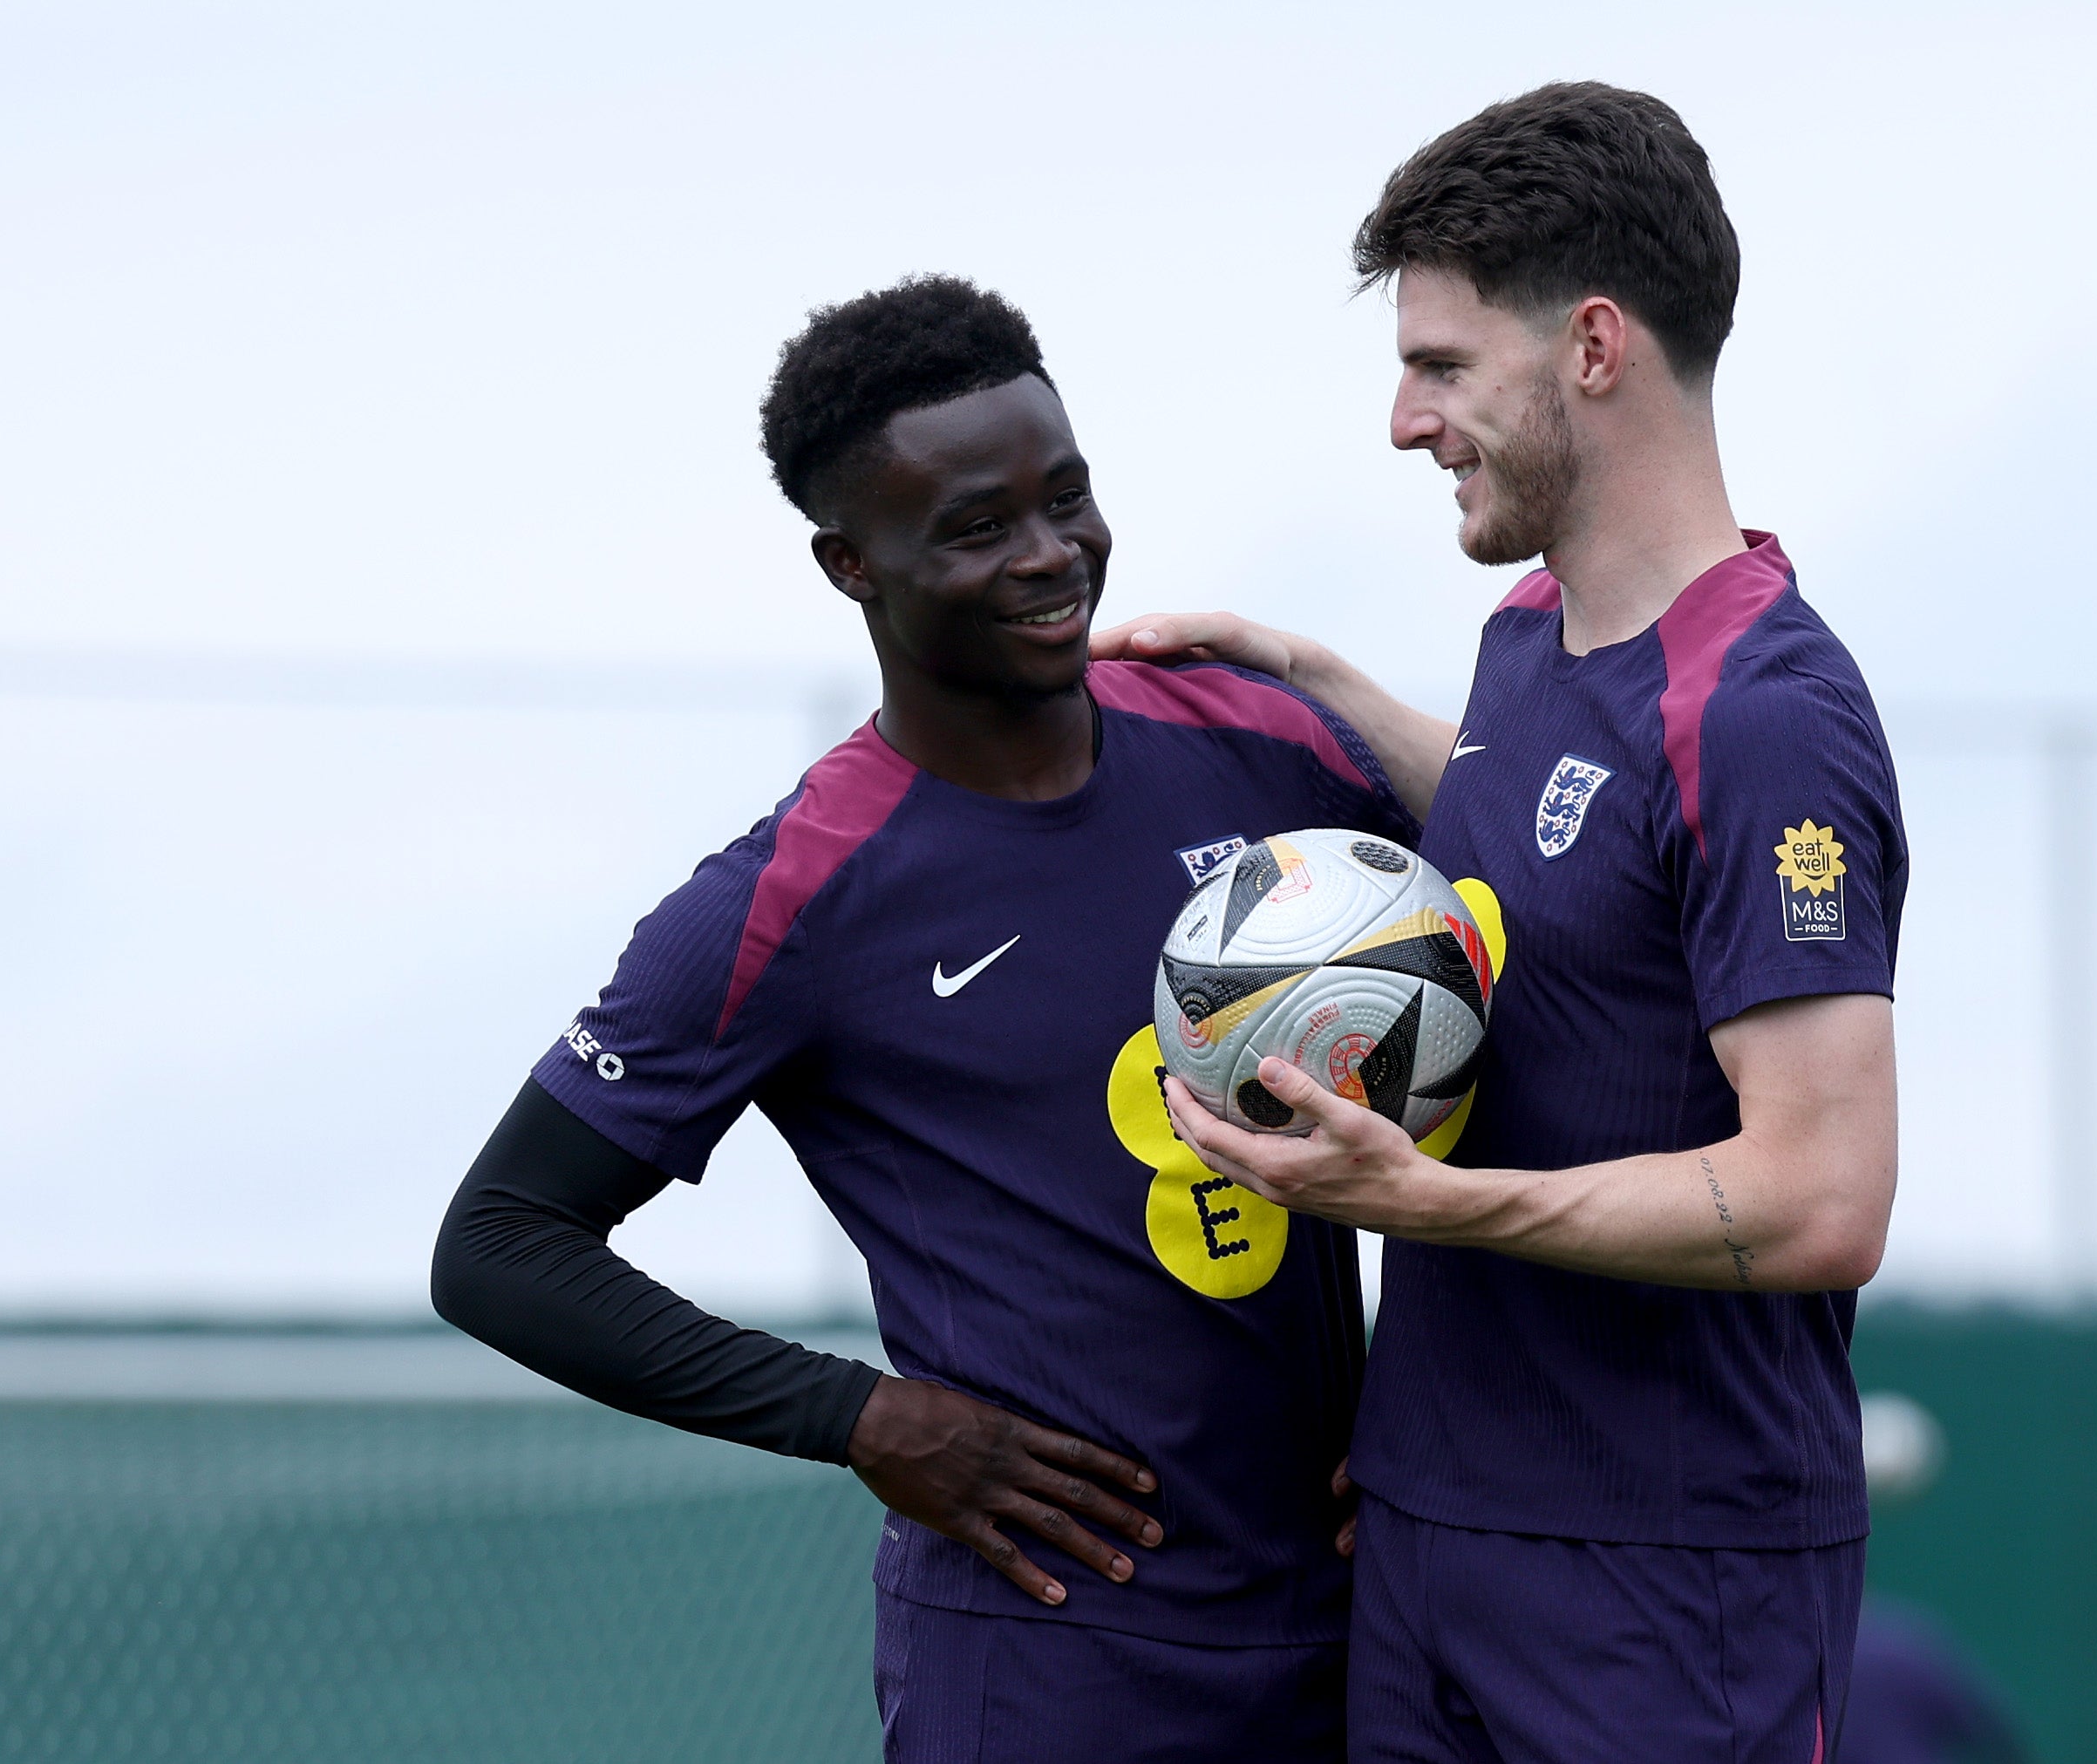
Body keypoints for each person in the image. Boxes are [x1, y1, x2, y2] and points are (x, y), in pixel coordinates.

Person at [432, 276, 1416, 1762]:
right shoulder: (792, 895)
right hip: (1052, 1662)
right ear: (851, 565)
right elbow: (499, 1245)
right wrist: (870, 1423)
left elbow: (1511, 1021)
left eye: (1068, 498)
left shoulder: (1258, 742)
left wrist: (1438, 1397)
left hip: (1363, 1632)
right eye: (977, 527)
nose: (1050, 556)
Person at [1096, 83, 1907, 1762]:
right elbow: (1555, 846)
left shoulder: (1765, 717)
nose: (1406, 421)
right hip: (1420, 1535)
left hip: (1666, 1587)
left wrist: (1429, 1204)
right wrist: (1313, 688)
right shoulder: (1534, 633)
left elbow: (1821, 1195)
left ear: (1593, 346)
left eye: (1443, 366)